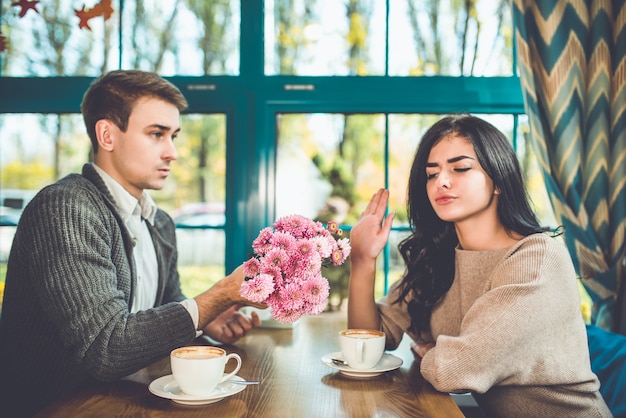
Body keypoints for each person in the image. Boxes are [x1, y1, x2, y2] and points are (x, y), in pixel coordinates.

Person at [0, 70, 263, 417]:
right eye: (157, 134)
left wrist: (208, 319)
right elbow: (106, 348)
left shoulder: (160, 223)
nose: (173, 152)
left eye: (174, 136)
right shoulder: (65, 208)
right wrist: (217, 296)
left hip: (128, 401)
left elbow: (167, 303)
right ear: (107, 134)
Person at [347, 115, 612, 417]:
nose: (441, 182)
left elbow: (455, 370)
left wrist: (431, 353)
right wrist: (363, 261)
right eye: (431, 174)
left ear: (498, 180)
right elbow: (368, 342)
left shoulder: (537, 259)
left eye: (460, 168)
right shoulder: (439, 259)